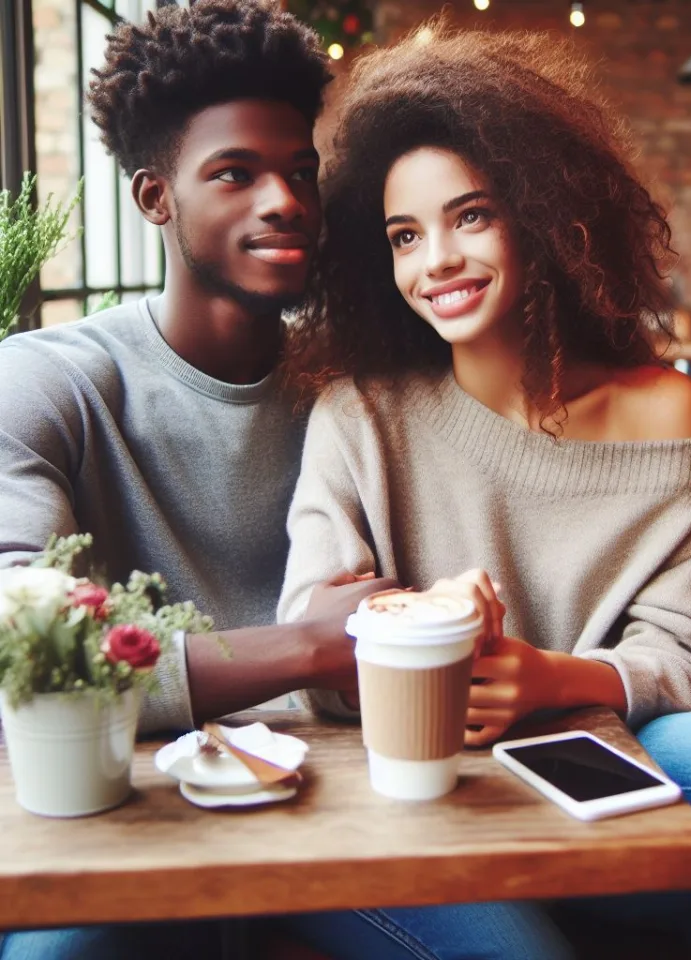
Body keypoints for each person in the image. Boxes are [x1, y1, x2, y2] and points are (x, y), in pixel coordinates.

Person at [279, 21, 691, 960]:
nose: (435, 259)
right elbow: (312, 630)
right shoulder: (360, 417)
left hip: (635, 760)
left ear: (545, 211)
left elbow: (688, 645)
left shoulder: (663, 406)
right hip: (456, 786)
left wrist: (557, 678)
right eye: (405, 234)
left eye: (471, 214)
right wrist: (428, 623)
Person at [0, 3, 576, 958]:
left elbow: (546, 510)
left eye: (299, 173)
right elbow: (20, 661)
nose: (285, 201)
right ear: (156, 198)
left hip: (356, 793)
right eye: (235, 174)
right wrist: (305, 648)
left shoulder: (366, 385)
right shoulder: (49, 382)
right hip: (126, 806)